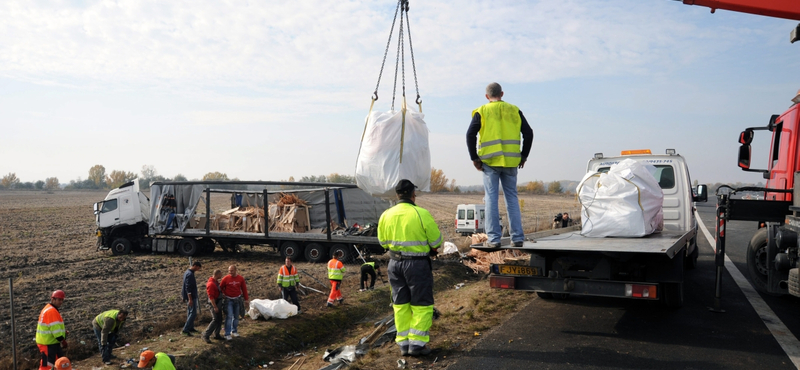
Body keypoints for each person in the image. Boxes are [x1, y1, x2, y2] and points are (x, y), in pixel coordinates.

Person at [378, 179, 443, 357]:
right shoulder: (421, 213)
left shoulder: (386, 215)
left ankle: (404, 345)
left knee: (400, 304)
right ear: (413, 194)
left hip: (394, 264)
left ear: (397, 195)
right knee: (422, 304)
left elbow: (382, 242)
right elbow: (436, 242)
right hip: (417, 264)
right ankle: (417, 344)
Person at [466, 82, 534, 248]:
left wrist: (474, 158)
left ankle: (494, 239)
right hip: (511, 162)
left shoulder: (482, 111)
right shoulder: (514, 110)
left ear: (487, 96)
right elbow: (528, 133)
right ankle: (517, 238)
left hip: (489, 162)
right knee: (512, 198)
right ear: (502, 94)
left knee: (491, 198)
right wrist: (523, 155)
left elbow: (470, 134)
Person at [36, 290, 68, 370]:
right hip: (47, 343)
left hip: (51, 342)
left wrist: (63, 333)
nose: (61, 302)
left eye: (62, 300)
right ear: (53, 299)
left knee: (60, 363)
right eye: (59, 300)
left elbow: (53, 327)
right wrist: (63, 340)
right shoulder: (51, 311)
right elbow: (56, 331)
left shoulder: (50, 309)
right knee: (47, 365)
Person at [220, 265, 249, 340]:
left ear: (236, 270)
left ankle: (234, 330)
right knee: (229, 316)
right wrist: (223, 293)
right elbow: (220, 287)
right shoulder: (225, 278)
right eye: (229, 271)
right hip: (228, 299)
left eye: (232, 270)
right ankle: (227, 333)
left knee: (236, 316)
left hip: (237, 299)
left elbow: (244, 289)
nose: (230, 272)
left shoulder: (240, 278)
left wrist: (246, 299)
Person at [202, 269, 225, 343]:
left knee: (219, 319)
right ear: (217, 274)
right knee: (215, 319)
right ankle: (206, 335)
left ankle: (217, 334)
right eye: (220, 274)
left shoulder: (215, 282)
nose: (221, 276)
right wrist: (215, 306)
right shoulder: (211, 284)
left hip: (218, 302)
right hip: (214, 303)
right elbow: (211, 297)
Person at [181, 261, 202, 336]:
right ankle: (186, 329)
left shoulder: (187, 272)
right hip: (191, 297)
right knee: (193, 313)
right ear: (195, 266)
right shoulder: (190, 275)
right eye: (198, 268)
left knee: (190, 312)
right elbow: (188, 287)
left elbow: (184, 286)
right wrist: (190, 299)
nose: (198, 270)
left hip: (188, 296)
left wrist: (184, 296)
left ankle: (191, 327)